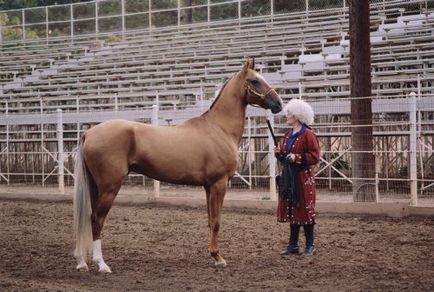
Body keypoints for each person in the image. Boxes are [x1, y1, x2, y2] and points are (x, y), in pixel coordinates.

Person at [274, 99, 321, 256]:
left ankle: (310, 245)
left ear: (298, 116)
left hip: (303, 178)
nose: (287, 115)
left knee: (305, 210)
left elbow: (315, 156)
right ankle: (292, 245)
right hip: (290, 177)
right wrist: (278, 153)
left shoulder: (308, 134)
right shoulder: (288, 135)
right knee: (292, 209)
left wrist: (297, 158)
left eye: (290, 113)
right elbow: (285, 158)